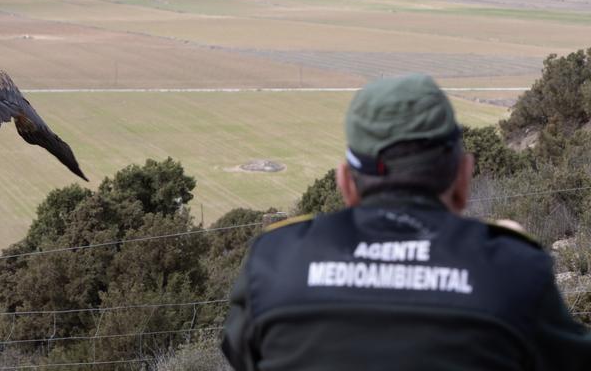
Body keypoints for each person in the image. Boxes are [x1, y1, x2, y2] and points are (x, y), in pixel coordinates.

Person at [221, 74, 591, 370]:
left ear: (347, 183)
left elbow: (241, 354)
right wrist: (512, 257)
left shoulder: (277, 260)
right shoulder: (513, 268)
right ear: (463, 179)